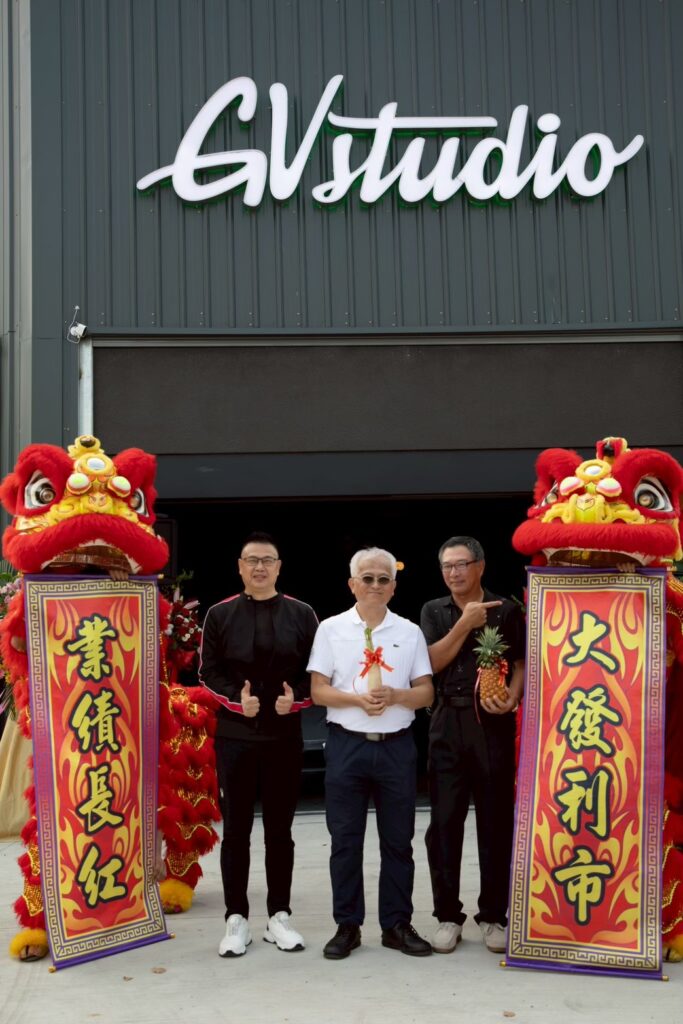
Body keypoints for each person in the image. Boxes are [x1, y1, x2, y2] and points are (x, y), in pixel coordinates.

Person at [308, 547, 434, 959]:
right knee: (345, 840)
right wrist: (357, 700)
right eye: (367, 578)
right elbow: (318, 690)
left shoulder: (409, 631)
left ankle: (396, 924)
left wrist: (398, 695)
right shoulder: (331, 629)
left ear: (393, 587)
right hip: (347, 745)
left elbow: (426, 692)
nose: (375, 585)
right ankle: (348, 924)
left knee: (398, 841)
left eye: (383, 579)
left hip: (396, 747)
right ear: (352, 584)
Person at [199, 532, 318, 957]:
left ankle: (279, 916)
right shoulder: (219, 614)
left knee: (280, 831)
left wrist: (295, 699)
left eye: (268, 560)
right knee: (236, 831)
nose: (260, 567)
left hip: (284, 737)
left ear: (279, 567)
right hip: (235, 738)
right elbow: (207, 671)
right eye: (252, 560)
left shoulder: (302, 614)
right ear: (240, 566)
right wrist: (237, 700)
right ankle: (236, 918)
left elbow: (317, 672)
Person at [421, 536, 525, 955]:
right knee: (444, 822)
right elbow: (430, 662)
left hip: (492, 723)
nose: (454, 573)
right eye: (447, 566)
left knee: (495, 822)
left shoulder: (508, 610)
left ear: (480, 566)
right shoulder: (433, 610)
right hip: (447, 719)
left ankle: (494, 916)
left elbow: (520, 662)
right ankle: (448, 916)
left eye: (461, 564)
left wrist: (513, 695)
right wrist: (465, 622)